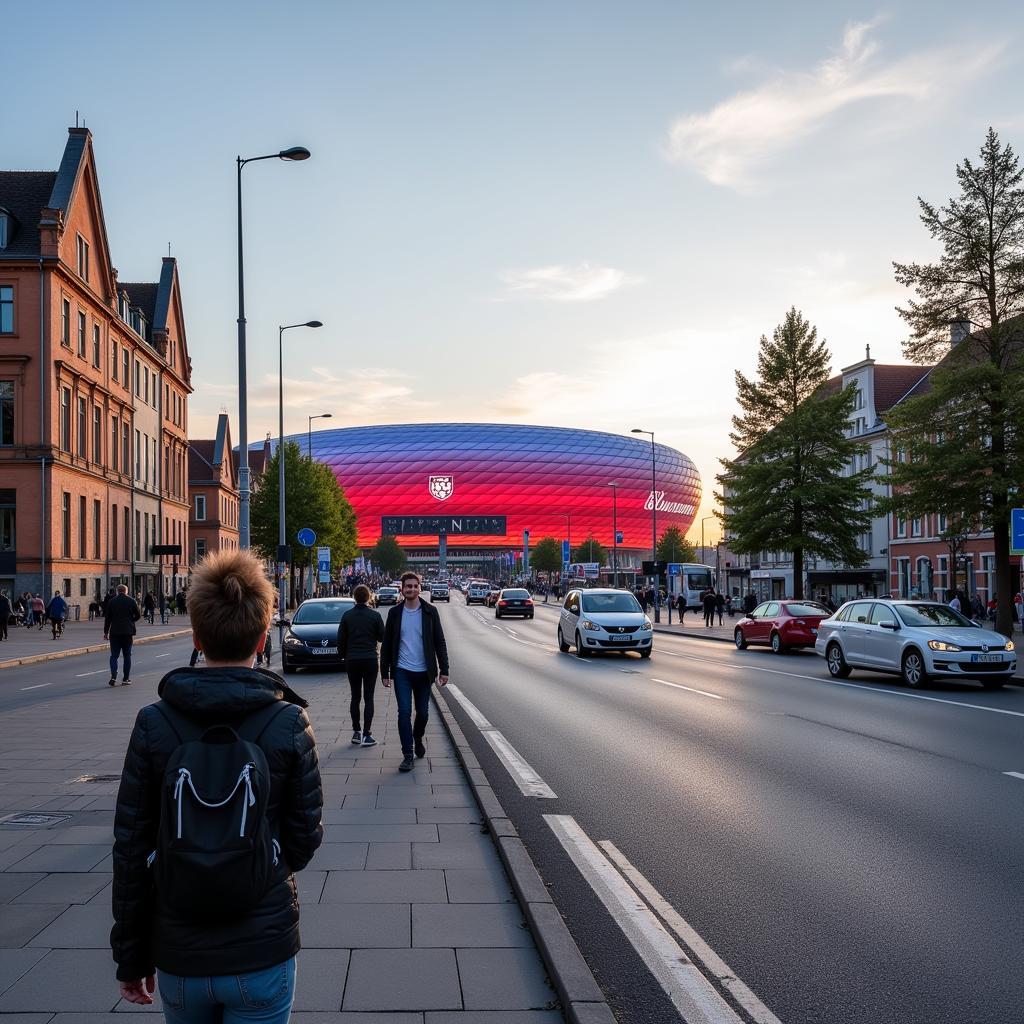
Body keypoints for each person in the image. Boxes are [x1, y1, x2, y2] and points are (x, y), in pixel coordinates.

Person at [110, 547, 323, 1019]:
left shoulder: (154, 723)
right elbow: (304, 839)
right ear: (264, 634)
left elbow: (130, 847)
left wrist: (131, 956)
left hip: (179, 949)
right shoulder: (289, 722)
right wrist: (258, 864)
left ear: (197, 637)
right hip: (261, 947)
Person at [380, 571, 450, 773]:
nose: (411, 589)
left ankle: (417, 736)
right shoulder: (394, 613)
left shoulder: (430, 611)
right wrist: (385, 672)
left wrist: (444, 669)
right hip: (402, 671)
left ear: (420, 588)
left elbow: (439, 642)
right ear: (402, 589)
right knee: (403, 712)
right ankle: (408, 755)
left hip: (424, 672)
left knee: (423, 713)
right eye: (407, 586)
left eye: (414, 586)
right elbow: (387, 645)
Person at [338, 584, 385, 747]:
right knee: (369, 697)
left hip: (352, 659)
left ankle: (356, 732)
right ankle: (367, 734)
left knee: (355, 696)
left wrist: (344, 656)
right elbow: (382, 637)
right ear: (369, 597)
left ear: (354, 596)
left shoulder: (347, 616)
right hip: (370, 659)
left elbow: (341, 640)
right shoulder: (375, 616)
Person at [104, 584, 141, 686]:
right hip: (127, 632)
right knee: (127, 655)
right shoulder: (131, 601)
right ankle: (126, 678)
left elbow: (108, 618)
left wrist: (105, 632)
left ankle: (113, 676)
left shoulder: (112, 601)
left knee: (114, 656)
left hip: (115, 632)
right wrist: (130, 621)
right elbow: (138, 615)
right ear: (126, 591)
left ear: (117, 591)